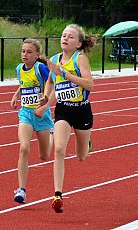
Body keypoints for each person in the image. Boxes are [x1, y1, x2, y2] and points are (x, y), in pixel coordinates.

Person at [38, 24, 97, 213]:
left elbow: (90, 85)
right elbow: (50, 82)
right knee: (59, 149)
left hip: (81, 111)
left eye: (70, 37)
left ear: (78, 43)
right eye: (64, 35)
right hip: (63, 110)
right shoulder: (54, 60)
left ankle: (87, 142)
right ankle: (57, 194)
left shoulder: (80, 58)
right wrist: (46, 98)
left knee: (81, 156)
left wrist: (65, 73)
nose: (65, 38)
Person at [10, 38, 54, 204]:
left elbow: (52, 84)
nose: (25, 55)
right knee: (24, 148)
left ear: (37, 55)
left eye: (29, 52)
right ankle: (21, 190)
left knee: (44, 156)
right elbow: (24, 84)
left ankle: (53, 132)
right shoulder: (18, 69)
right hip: (26, 114)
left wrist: (45, 102)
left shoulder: (40, 68)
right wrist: (16, 95)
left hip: (42, 115)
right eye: (23, 51)